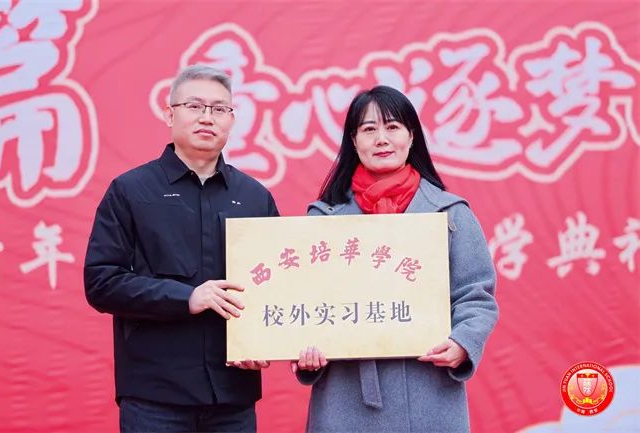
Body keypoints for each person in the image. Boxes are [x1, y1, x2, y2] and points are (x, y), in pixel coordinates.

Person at [84, 65, 279, 433]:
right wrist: (186, 297)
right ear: (169, 114)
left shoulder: (254, 197)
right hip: (155, 396)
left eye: (219, 109)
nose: (207, 117)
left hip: (232, 396)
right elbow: (101, 282)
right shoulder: (131, 191)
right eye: (194, 106)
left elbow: (275, 286)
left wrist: (264, 342)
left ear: (232, 119)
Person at [292, 85, 499, 432]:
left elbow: (476, 295)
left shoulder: (449, 213)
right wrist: (304, 351)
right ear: (353, 141)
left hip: (429, 391)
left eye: (392, 127)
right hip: (345, 395)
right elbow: (301, 303)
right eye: (369, 129)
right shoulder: (323, 219)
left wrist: (463, 343)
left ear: (411, 136)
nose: (381, 139)